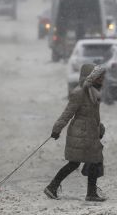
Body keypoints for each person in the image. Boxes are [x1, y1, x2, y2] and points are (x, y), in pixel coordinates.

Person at [45, 64, 107, 202]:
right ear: (91, 77)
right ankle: (53, 187)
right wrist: (57, 129)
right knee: (78, 162)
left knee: (93, 161)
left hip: (90, 133)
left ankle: (89, 192)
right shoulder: (80, 93)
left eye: (102, 76)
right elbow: (68, 113)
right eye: (99, 76)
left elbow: (93, 116)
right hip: (80, 134)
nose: (102, 78)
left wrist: (100, 128)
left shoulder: (93, 92)